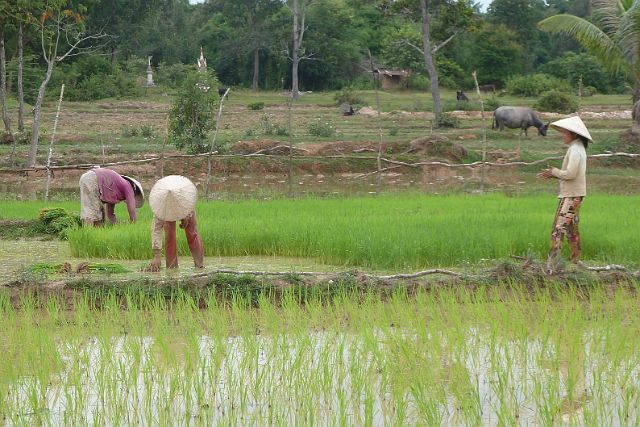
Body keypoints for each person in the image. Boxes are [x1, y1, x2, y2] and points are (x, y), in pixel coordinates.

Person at [536, 116, 591, 274]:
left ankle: (551, 265)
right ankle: (575, 262)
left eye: (565, 132)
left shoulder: (575, 150)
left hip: (571, 196)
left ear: (574, 134)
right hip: (576, 194)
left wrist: (554, 172)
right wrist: (554, 174)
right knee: (572, 230)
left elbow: (570, 174)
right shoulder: (578, 147)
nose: (563, 135)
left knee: (558, 228)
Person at [145, 175, 204, 271]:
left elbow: (188, 209)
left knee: (192, 234)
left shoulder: (185, 198)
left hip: (183, 203)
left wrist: (186, 217)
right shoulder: (161, 208)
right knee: (170, 236)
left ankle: (200, 266)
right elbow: (156, 230)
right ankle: (172, 269)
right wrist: (157, 256)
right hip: (166, 211)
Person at [79, 167, 144, 226]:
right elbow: (131, 209)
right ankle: (89, 232)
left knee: (95, 211)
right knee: (92, 212)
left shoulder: (116, 187)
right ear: (135, 191)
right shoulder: (128, 186)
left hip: (86, 177)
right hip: (93, 179)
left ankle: (95, 232)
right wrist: (133, 224)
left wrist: (117, 224)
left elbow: (110, 213)